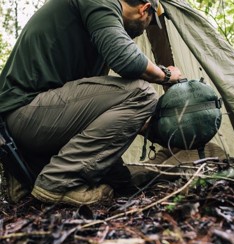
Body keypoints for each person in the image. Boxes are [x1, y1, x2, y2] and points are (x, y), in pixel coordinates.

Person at [0, 0, 183, 206]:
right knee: (142, 92)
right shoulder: (99, 1)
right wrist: (167, 74)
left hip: (30, 122)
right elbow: (128, 62)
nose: (143, 31)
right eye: (149, 23)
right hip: (25, 114)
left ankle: (24, 180)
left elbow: (92, 112)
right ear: (144, 9)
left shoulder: (91, 33)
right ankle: (57, 183)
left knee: (120, 180)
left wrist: (158, 132)